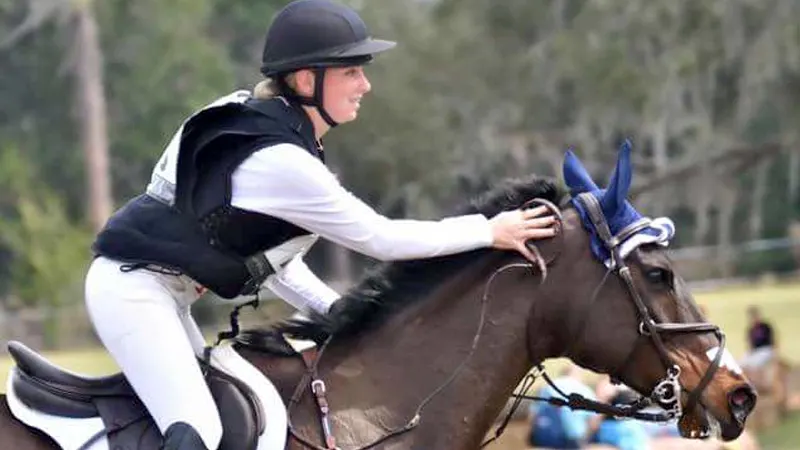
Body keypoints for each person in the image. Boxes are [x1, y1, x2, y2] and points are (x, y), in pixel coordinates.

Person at [84, 1, 559, 449]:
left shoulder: (265, 128)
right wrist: (488, 231)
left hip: (160, 292)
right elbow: (381, 238)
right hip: (134, 293)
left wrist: (338, 313)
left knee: (235, 414)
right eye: (351, 71)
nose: (365, 85)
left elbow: (276, 266)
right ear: (307, 79)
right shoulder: (282, 160)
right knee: (201, 427)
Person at [527, 364, 602, 449]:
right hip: (573, 437)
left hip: (546, 436)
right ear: (579, 375)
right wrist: (586, 438)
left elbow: (533, 414)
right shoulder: (586, 390)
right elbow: (594, 421)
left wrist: (533, 432)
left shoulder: (548, 388)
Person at [741, 305, 775, 370]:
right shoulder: (750, 329)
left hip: (766, 349)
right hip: (755, 351)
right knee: (742, 362)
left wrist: (774, 353)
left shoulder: (766, 326)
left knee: (755, 363)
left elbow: (773, 341)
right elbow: (749, 344)